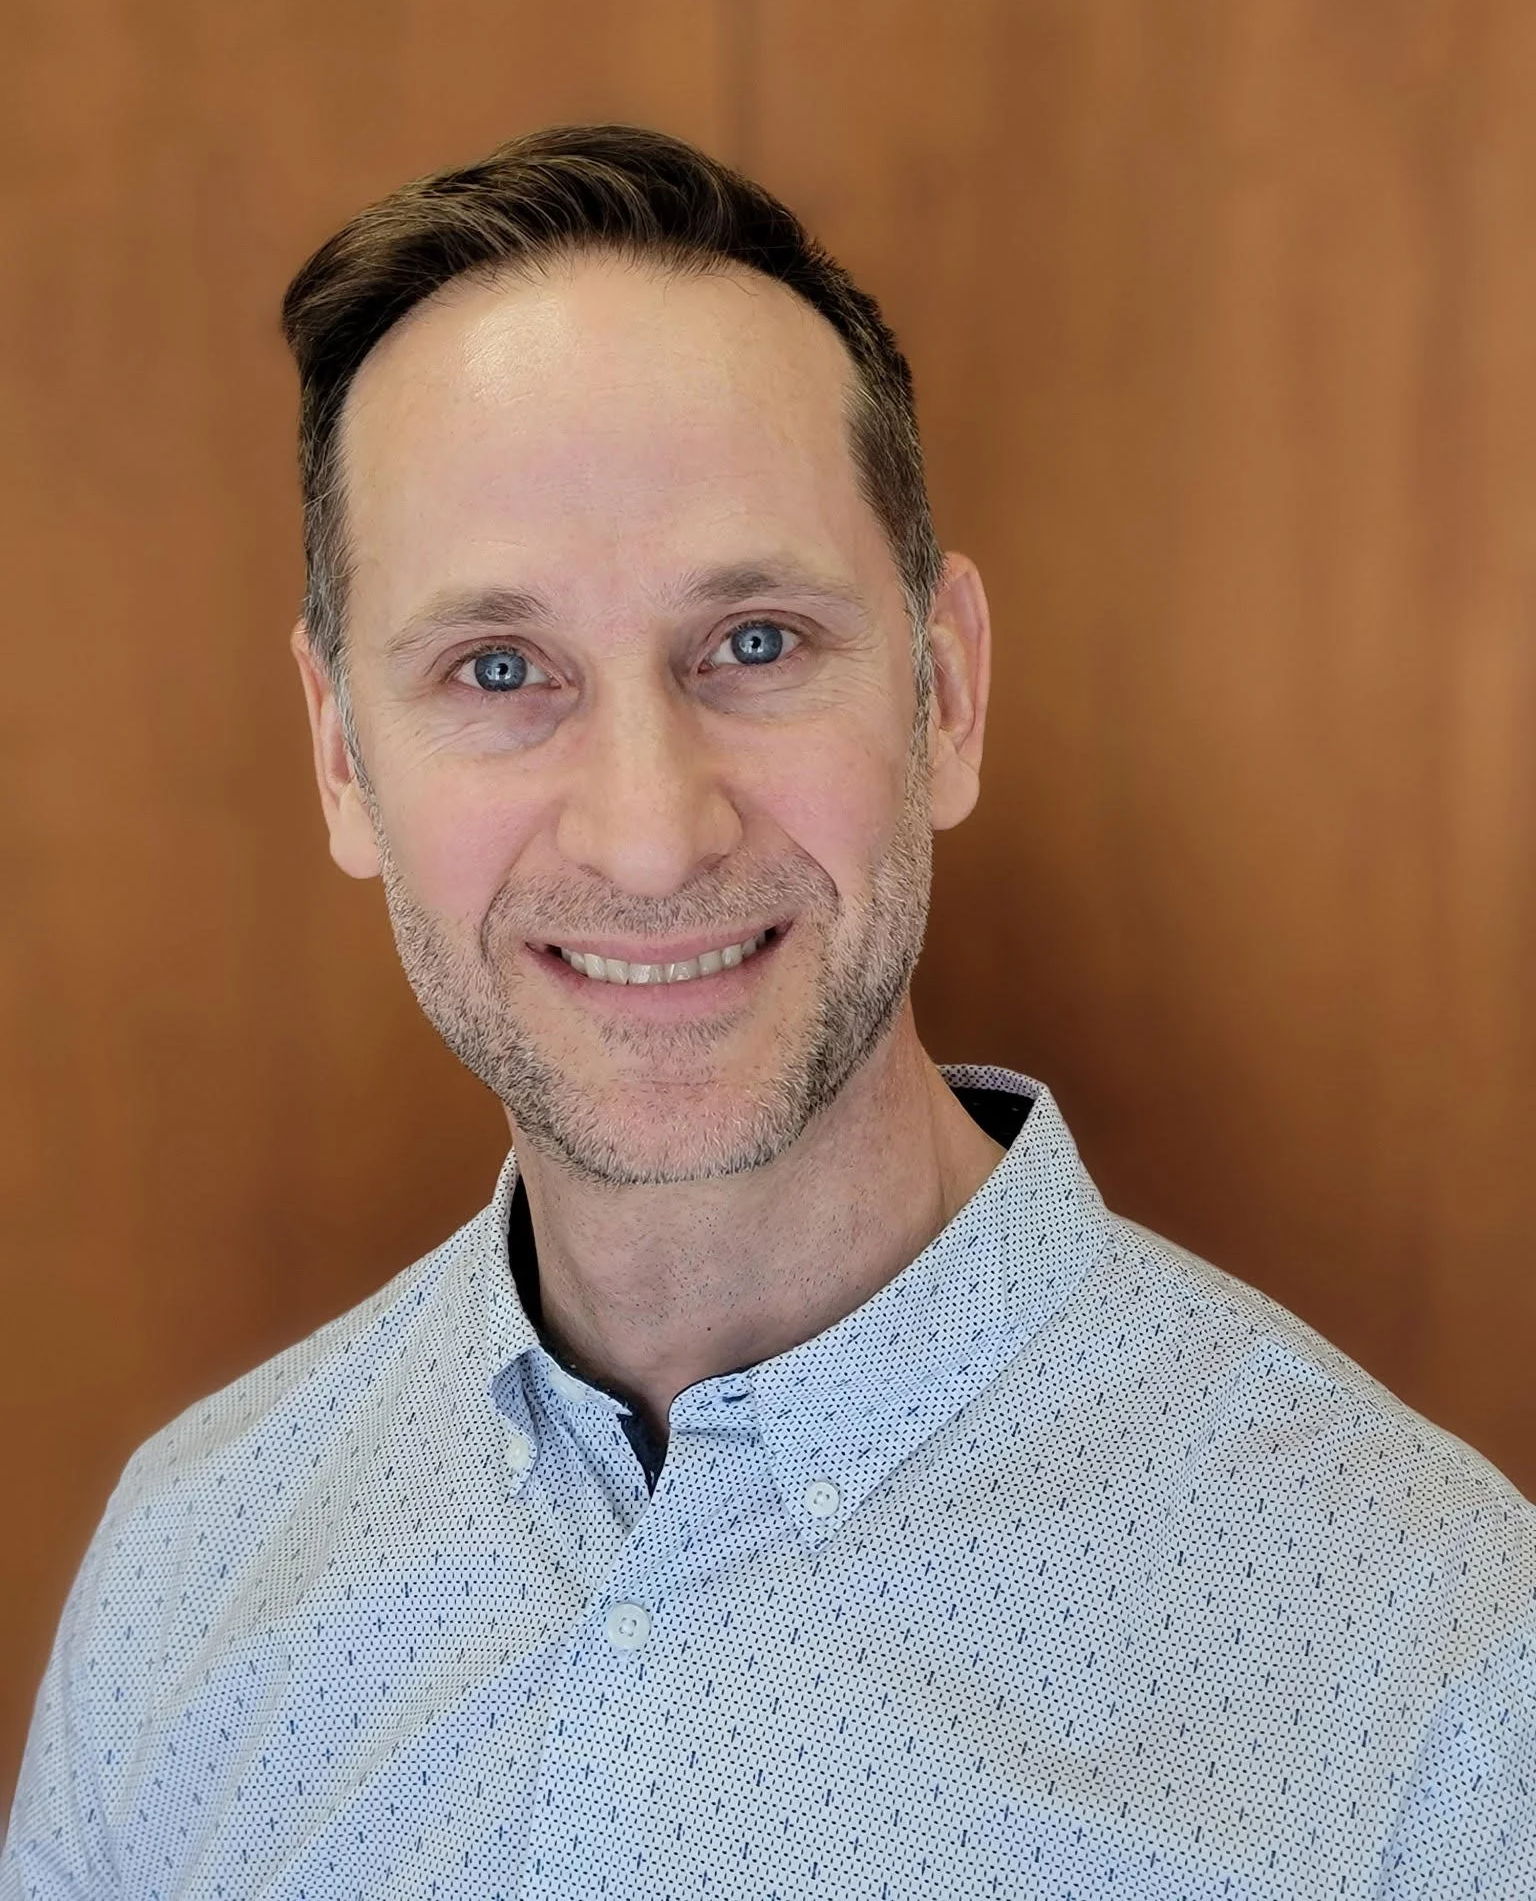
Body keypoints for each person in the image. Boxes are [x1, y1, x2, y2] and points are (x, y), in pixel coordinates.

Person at [3, 126, 1531, 1901]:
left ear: (942, 694)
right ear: (344, 757)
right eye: (500, 672)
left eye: (755, 643)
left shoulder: (1438, 1677)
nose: (651, 837)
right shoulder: (185, 1579)